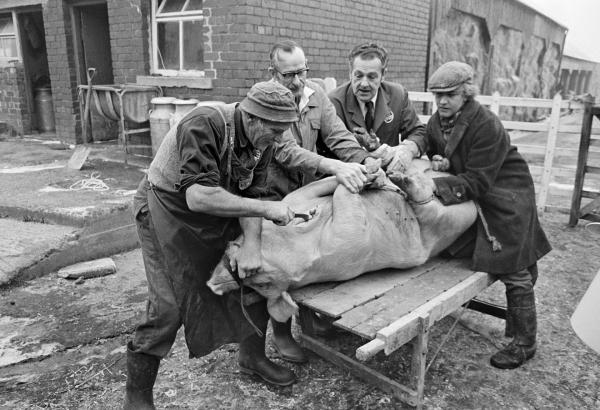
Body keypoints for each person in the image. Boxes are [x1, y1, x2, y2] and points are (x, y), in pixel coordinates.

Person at [125, 81, 369, 409]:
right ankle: (137, 397)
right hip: (166, 206)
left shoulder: (261, 138)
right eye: (276, 131)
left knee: (255, 272)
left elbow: (253, 193)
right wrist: (269, 210)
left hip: (216, 205)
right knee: (168, 306)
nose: (281, 140)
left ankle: (252, 357)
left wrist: (252, 245)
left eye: (284, 131)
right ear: (253, 119)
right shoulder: (204, 123)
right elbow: (197, 196)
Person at [405, 61, 551, 369]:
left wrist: (432, 183)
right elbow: (428, 139)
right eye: (437, 95)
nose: (442, 101)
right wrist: (410, 148)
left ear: (467, 93)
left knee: (515, 269)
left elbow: (478, 181)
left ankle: (526, 343)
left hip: (507, 195)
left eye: (450, 95)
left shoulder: (486, 124)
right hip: (477, 192)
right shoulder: (438, 119)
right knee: (457, 250)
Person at [262, 40, 381, 362]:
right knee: (281, 265)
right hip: (272, 194)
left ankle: (313, 319)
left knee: (317, 255)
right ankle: (282, 333)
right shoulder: (265, 99)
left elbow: (337, 136)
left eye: (303, 71)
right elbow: (285, 152)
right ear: (273, 73)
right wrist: (335, 166)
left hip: (309, 192)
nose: (298, 81)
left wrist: (365, 161)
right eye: (289, 74)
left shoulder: (315, 94)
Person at [328, 42, 427, 171]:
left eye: (371, 77)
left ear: (383, 75)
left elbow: (419, 132)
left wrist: (407, 151)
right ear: (350, 73)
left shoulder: (398, 95)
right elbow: (331, 146)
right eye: (358, 75)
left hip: (390, 174)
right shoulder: (334, 101)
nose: (364, 84)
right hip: (351, 175)